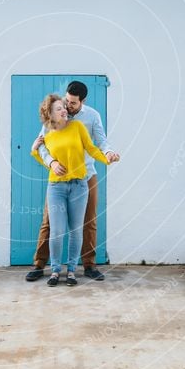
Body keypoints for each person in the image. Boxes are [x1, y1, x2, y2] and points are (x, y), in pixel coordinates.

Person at [25, 81, 121, 282]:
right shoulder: (54, 116)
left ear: (82, 101)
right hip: (58, 180)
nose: (68, 105)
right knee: (49, 222)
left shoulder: (91, 117)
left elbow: (100, 142)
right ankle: (40, 264)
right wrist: (51, 162)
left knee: (88, 221)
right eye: (66, 100)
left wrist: (109, 153)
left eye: (73, 103)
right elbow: (41, 146)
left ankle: (89, 265)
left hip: (86, 175)